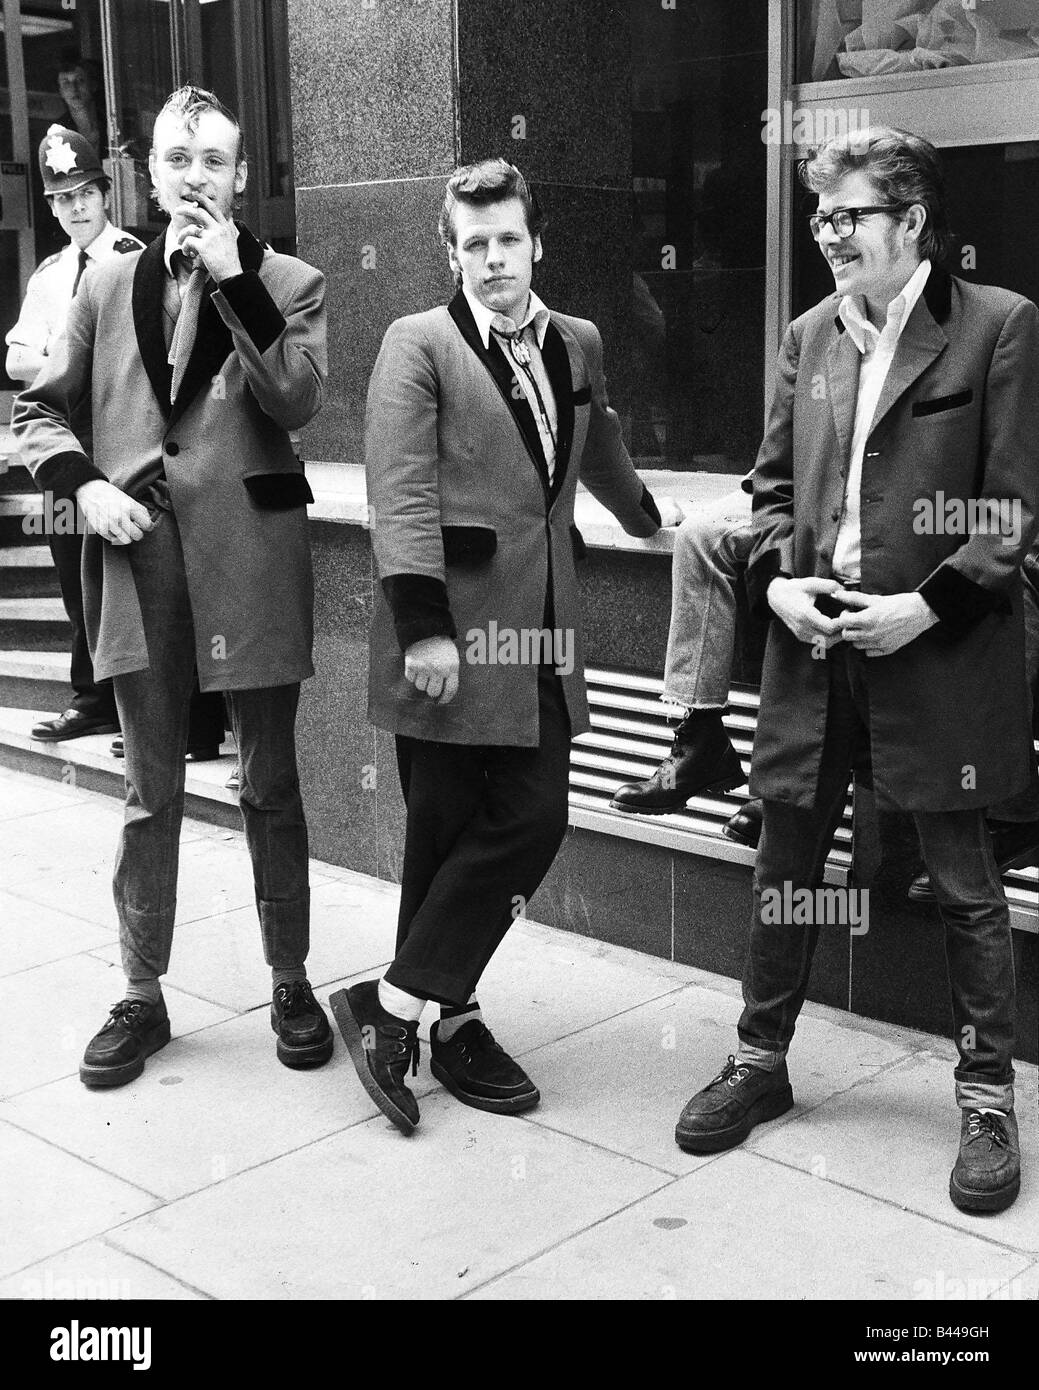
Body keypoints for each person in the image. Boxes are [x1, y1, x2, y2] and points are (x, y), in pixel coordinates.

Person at [674, 127, 1038, 1217]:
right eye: (819, 216)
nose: (827, 233)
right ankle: (759, 1057)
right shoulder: (808, 335)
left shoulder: (997, 328)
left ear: (914, 221)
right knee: (786, 859)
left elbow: (1010, 511)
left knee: (963, 885)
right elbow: (773, 485)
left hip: (936, 653)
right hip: (814, 647)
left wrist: (923, 606)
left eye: (848, 215)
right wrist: (776, 583)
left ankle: (984, 1096)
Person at [335, 158, 682, 1134]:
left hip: (538, 631)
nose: (493, 259)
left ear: (537, 244)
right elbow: (395, 493)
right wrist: (423, 630)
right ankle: (452, 1021)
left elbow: (596, 439)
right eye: (473, 244)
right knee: (441, 833)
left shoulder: (576, 342)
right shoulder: (417, 346)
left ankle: (392, 1005)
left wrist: (647, 513)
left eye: (508, 240)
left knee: (532, 817)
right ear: (452, 253)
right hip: (445, 633)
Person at [12, 86, 331, 1088]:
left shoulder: (293, 278)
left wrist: (239, 283)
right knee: (149, 788)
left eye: (213, 159)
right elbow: (37, 417)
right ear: (148, 175)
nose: (194, 175)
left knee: (269, 784)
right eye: (176, 157)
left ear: (239, 176)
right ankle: (140, 992)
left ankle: (289, 978)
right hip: (138, 554)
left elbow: (298, 398)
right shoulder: (104, 288)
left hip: (250, 553)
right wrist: (87, 487)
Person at [6, 125, 142, 743]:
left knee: (133, 575)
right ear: (51, 206)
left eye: (86, 191)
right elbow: (16, 361)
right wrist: (73, 365)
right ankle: (93, 699)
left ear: (105, 193)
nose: (76, 206)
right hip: (63, 441)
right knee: (71, 572)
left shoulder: (136, 258)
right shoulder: (50, 275)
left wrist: (61, 362)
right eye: (63, 197)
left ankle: (146, 707)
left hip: (123, 435)